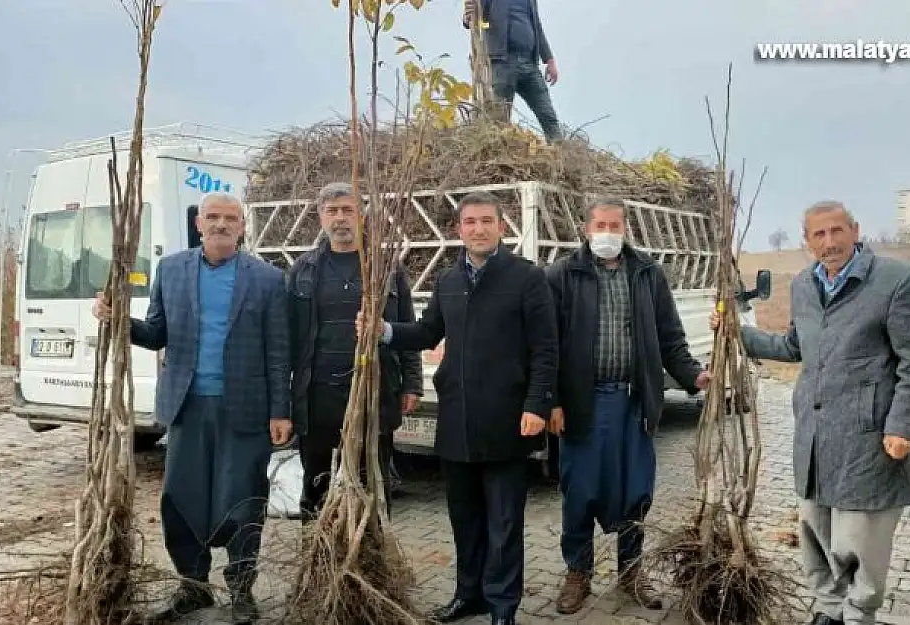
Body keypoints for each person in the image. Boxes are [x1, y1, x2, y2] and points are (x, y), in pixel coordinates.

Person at [710, 200, 910, 625]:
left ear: (855, 229)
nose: (829, 242)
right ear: (807, 241)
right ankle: (827, 611)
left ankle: (856, 616)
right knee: (816, 532)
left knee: (859, 539)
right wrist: (740, 333)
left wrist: (904, 425)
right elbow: (796, 347)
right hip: (814, 434)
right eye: (819, 235)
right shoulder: (804, 286)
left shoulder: (894, 280)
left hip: (869, 437)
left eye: (836, 231)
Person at [357, 191, 558, 625]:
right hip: (456, 421)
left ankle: (503, 605)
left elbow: (546, 348)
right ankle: (470, 595)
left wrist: (537, 404)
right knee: (464, 518)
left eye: (487, 221)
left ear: (502, 227)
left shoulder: (526, 278)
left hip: (509, 420)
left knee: (504, 523)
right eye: (470, 222)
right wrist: (385, 330)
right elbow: (428, 333)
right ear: (459, 230)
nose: (479, 229)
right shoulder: (450, 281)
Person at [93, 192, 291, 625]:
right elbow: (157, 332)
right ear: (198, 223)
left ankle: (241, 590)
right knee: (181, 500)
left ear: (242, 226)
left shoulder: (268, 279)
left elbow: (279, 350)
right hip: (186, 407)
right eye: (212, 217)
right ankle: (194, 588)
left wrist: (281, 410)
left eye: (230, 218)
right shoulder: (172, 270)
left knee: (243, 501)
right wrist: (118, 319)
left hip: (245, 409)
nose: (221, 224)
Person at [544, 196, 711, 614]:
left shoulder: (647, 274)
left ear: (625, 228)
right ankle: (578, 574)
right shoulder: (564, 274)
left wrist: (694, 375)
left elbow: (670, 338)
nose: (607, 233)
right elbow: (547, 346)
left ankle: (631, 571)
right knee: (579, 490)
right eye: (600, 225)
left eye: (614, 225)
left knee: (636, 490)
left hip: (633, 403)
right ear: (586, 229)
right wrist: (553, 401)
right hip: (583, 403)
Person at [286, 182, 423, 521]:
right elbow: (287, 337)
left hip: (373, 392)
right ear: (320, 217)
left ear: (361, 216)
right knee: (316, 484)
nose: (340, 218)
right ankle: (318, 564)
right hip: (318, 397)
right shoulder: (303, 269)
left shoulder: (386, 267)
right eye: (332, 211)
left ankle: (371, 557)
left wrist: (412, 382)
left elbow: (406, 325)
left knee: (372, 484)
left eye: (348, 210)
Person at [462, 0, 563, 141]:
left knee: (548, 116)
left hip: (530, 64)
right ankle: (497, 155)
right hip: (502, 63)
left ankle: (560, 154)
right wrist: (468, 17)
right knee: (499, 119)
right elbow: (475, 15)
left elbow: (537, 26)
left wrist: (549, 59)